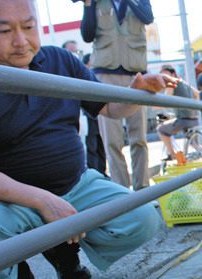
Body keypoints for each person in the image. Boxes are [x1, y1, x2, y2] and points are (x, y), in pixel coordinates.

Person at [0, 0, 176, 279]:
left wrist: (136, 91)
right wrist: (43, 201)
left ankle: (64, 247)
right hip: (7, 201)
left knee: (144, 217)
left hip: (75, 185)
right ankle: (16, 275)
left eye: (28, 27)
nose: (21, 40)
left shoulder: (59, 59)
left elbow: (108, 108)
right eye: (4, 30)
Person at [80, 0, 153, 191]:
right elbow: (87, 35)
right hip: (105, 73)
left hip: (136, 73)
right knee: (112, 140)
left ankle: (142, 189)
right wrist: (88, 5)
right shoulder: (97, 2)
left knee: (139, 137)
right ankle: (122, 191)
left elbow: (148, 17)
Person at [157, 65, 200, 165]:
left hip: (184, 120)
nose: (163, 77)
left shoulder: (172, 83)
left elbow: (165, 99)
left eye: (165, 74)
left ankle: (173, 155)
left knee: (161, 129)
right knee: (194, 143)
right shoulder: (185, 83)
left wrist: (154, 103)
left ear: (173, 74)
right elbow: (197, 94)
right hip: (194, 118)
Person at [80, 52, 107, 174]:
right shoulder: (82, 76)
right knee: (92, 148)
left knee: (100, 149)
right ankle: (96, 172)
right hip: (88, 119)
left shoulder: (93, 78)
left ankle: (102, 173)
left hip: (97, 118)